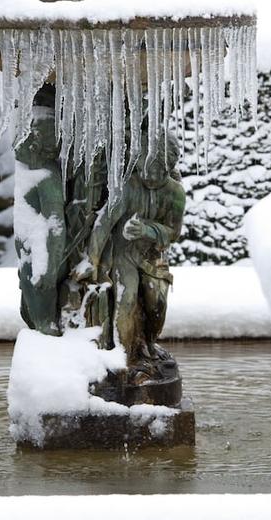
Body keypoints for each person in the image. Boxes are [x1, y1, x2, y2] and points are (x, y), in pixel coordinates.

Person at [75, 132, 185, 379]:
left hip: (152, 256)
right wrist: (92, 260)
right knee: (126, 299)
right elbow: (104, 222)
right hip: (123, 254)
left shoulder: (175, 193)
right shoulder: (128, 187)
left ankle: (147, 342)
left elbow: (174, 232)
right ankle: (124, 358)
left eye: (157, 168)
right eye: (146, 165)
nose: (150, 173)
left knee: (157, 302)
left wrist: (147, 229)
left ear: (168, 166)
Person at [14, 88, 66, 335]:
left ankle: (50, 355)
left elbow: (56, 226)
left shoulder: (47, 177)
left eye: (29, 135)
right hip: (28, 251)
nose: (21, 141)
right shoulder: (27, 168)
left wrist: (49, 268)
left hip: (40, 255)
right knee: (31, 312)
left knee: (44, 321)